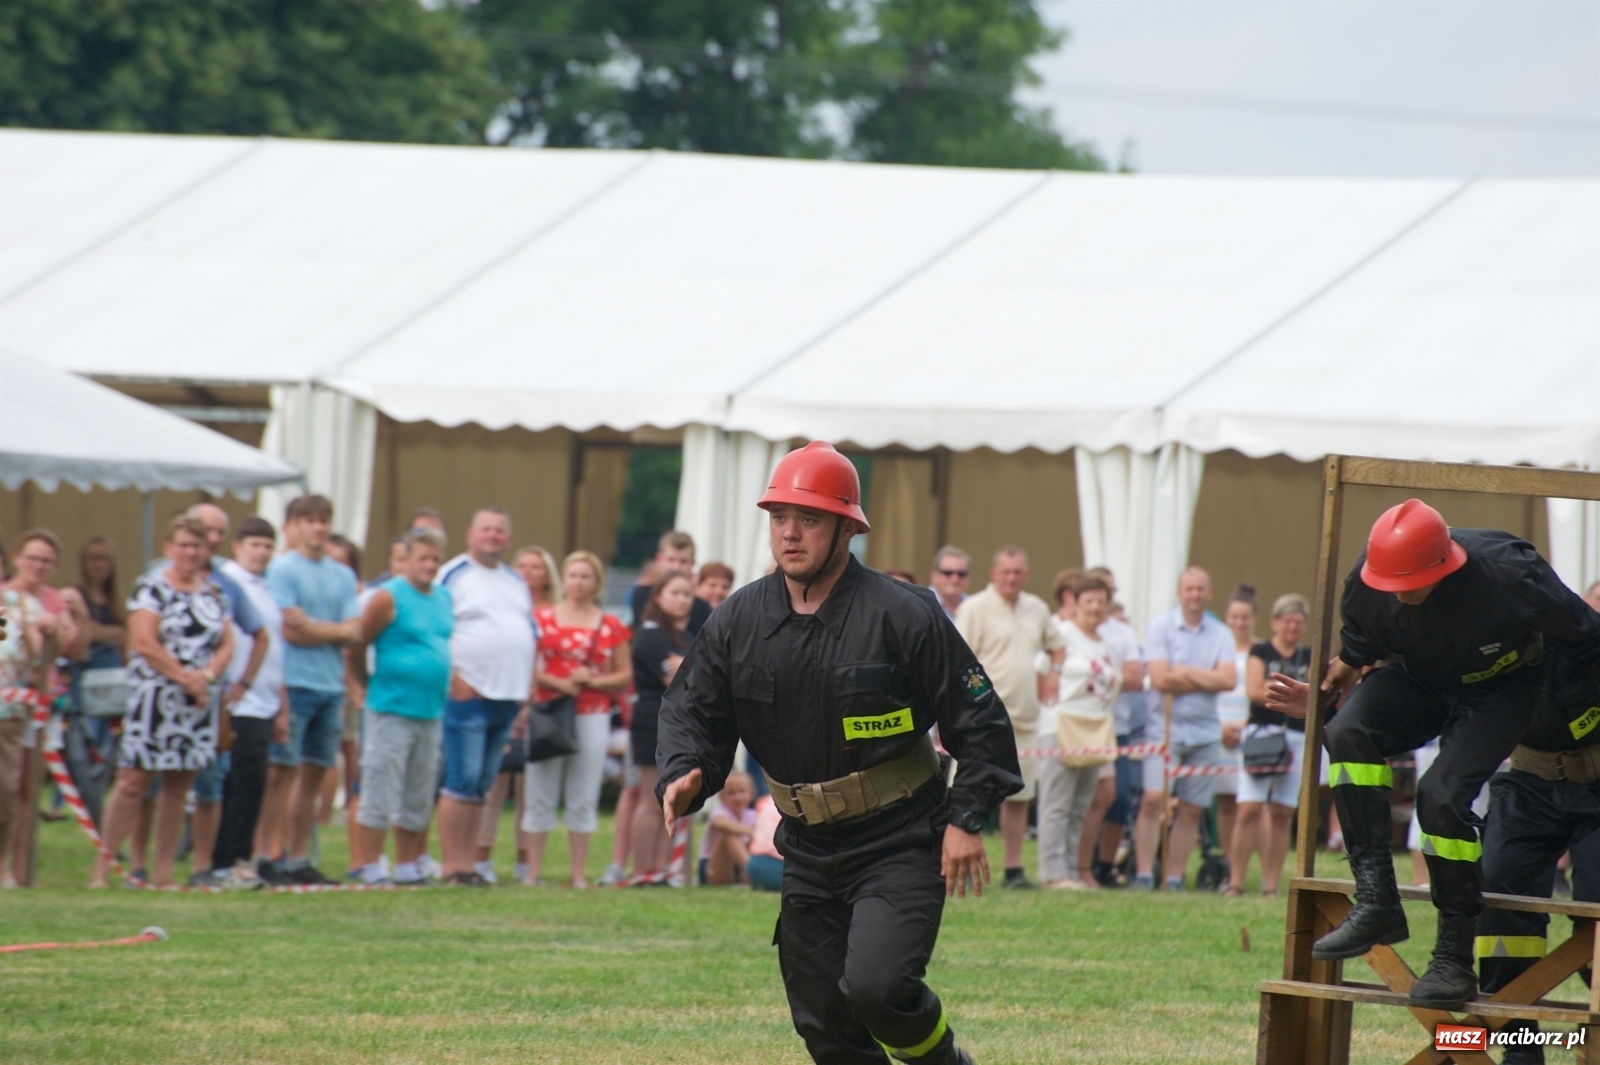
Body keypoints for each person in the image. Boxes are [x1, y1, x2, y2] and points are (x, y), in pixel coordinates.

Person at [658, 440, 1021, 1065]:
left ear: (846, 528)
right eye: (779, 518)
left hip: (901, 837)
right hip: (805, 845)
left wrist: (966, 819)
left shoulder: (904, 614)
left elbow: (980, 720)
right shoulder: (739, 618)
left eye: (809, 519)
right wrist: (685, 770)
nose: (790, 534)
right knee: (822, 1020)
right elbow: (691, 706)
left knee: (879, 991)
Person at [1305, 499, 1600, 1010]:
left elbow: (1586, 638)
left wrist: (1569, 709)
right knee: (1347, 731)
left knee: (1440, 796)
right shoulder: (1367, 585)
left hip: (1502, 692)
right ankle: (1376, 898)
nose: (1399, 595)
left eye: (1410, 584)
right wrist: (1337, 677)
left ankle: (1453, 958)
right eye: (1389, 585)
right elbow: (1358, 645)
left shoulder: (1513, 576)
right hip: (1422, 680)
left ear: (1445, 567)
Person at [91, 515, 234, 889]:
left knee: (178, 786)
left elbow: (227, 643)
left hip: (197, 702)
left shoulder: (214, 593)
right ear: (169, 548)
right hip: (154, 696)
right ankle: (104, 869)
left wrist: (205, 677)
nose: (189, 552)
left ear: (206, 551)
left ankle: (164, 871)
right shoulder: (150, 588)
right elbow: (143, 641)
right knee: (133, 781)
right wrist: (184, 676)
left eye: (196, 545)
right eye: (183, 545)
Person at [436, 508, 538, 886]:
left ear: (508, 539)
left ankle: (470, 864)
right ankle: (452, 866)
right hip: (469, 692)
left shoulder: (514, 580)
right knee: (460, 779)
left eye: (500, 530)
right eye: (486, 530)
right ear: (470, 534)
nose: (493, 536)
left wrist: (526, 687)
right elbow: (437, 629)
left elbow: (527, 634)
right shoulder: (453, 574)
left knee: (482, 783)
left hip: (507, 696)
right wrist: (455, 678)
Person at [347, 528, 452, 886]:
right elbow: (359, 644)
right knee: (379, 785)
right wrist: (365, 683)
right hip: (391, 708)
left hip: (430, 710)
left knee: (418, 791)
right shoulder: (387, 598)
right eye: (423, 558)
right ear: (406, 559)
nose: (429, 565)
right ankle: (371, 864)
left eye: (435, 559)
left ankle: (408, 865)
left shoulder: (443, 598)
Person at [266, 495, 361, 886]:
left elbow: (354, 630)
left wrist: (319, 628)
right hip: (294, 681)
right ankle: (272, 853)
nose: (318, 528)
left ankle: (299, 857)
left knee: (315, 772)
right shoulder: (283, 569)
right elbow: (290, 629)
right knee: (283, 772)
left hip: (330, 683)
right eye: (310, 520)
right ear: (295, 525)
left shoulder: (341, 574)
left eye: (324, 520)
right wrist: (334, 630)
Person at [956, 545, 1063, 890]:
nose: (1012, 578)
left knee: (1019, 797)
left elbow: (1056, 645)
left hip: (1026, 721)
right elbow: (958, 658)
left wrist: (1053, 673)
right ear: (993, 574)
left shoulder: (1037, 609)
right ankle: (958, 866)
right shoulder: (974, 608)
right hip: (982, 720)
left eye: (1018, 572)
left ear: (1027, 575)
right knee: (967, 794)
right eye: (1006, 572)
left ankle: (1014, 870)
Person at [524, 550, 631, 887]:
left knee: (583, 791)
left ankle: (577, 873)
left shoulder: (610, 624)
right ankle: (533, 871)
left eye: (586, 576)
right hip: (549, 711)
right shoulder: (541, 619)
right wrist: (557, 683)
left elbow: (624, 675)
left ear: (596, 582)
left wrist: (593, 682)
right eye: (573, 575)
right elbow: (528, 666)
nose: (578, 582)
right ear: (563, 579)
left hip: (593, 714)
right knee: (540, 788)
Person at [182, 503, 270, 887]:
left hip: (212, 695)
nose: (211, 540)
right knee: (149, 784)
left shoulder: (225, 584)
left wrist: (238, 683)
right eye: (206, 531)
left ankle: (207, 867)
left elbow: (254, 636)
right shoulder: (158, 578)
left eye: (219, 532)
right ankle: (141, 866)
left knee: (210, 784)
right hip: (167, 692)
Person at [1134, 567, 1236, 891]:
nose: (1194, 595)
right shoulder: (1160, 627)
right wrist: (1206, 678)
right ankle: (1143, 874)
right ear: (1180, 592)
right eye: (1188, 589)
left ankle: (1174, 877)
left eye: (1200, 589)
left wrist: (1188, 672)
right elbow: (1161, 678)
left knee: (1192, 808)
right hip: (1163, 730)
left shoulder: (1221, 633)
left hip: (1205, 732)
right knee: (1153, 799)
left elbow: (1228, 679)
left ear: (1209, 593)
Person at [477, 545, 563, 884]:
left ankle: (525, 859)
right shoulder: (505, 608)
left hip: (542, 704)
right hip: (502, 696)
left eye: (536, 567)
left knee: (530, 786)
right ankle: (481, 855)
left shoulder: (554, 614)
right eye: (522, 566)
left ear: (546, 574)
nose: (528, 572)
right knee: (493, 783)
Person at [211, 517, 288, 890]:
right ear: (237, 546)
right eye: (254, 544)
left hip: (264, 700)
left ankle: (242, 857)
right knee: (234, 784)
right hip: (236, 700)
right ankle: (224, 860)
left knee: (254, 783)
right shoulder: (228, 583)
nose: (261, 552)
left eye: (267, 546)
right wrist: (234, 685)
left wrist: (281, 704)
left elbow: (276, 648)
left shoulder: (268, 588)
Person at [4, 529, 83, 886]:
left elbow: (70, 650)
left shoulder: (53, 600)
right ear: (18, 557)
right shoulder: (5, 600)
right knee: (8, 786)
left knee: (25, 789)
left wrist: (64, 624)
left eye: (47, 561)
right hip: (11, 702)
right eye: (33, 557)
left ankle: (19, 870)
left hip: (36, 705)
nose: (38, 566)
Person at [1036, 573, 1122, 890]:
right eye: (1089, 600)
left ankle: (1070, 868)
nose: (1096, 607)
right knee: (1057, 803)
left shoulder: (1105, 644)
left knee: (1080, 804)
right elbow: (1041, 671)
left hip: (1095, 729)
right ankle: (1051, 872)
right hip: (1062, 724)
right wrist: (1047, 709)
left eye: (1101, 601)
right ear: (1076, 602)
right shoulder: (1063, 634)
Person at [1225, 593, 1311, 897]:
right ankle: (1236, 881)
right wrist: (1294, 697)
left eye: (1297, 622)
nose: (1291, 627)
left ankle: (1271, 884)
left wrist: (1271, 690)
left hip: (1297, 738)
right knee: (1249, 807)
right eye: (1286, 621)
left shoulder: (1309, 656)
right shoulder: (1260, 650)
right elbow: (1252, 690)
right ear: (1275, 622)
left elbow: (1311, 697)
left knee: (1283, 812)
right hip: (1261, 734)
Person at [627, 571, 694, 883]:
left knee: (667, 799)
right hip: (652, 720)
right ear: (658, 598)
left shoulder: (683, 638)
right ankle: (642, 870)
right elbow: (676, 682)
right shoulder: (651, 634)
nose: (682, 600)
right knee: (649, 797)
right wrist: (693, 670)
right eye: (675, 593)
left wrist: (689, 668)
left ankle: (660, 868)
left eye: (686, 594)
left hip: (676, 722)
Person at [1085, 566, 1146, 889]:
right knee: (1085, 797)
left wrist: (1100, 676)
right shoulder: (1069, 628)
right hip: (1081, 726)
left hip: (1116, 724)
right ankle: (1084, 861)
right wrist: (1112, 675)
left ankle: (1106, 863)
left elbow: (1137, 678)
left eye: (1106, 592)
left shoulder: (1122, 632)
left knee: (1119, 797)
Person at [1215, 586, 1257, 877]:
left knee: (1250, 803)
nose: (1239, 623)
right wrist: (1220, 727)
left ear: (1253, 618)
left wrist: (1244, 726)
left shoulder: (1259, 650)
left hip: (1249, 728)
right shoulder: (1217, 648)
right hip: (1219, 727)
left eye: (1244, 617)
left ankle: (1244, 860)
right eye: (1234, 617)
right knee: (1225, 802)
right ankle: (1227, 859)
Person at [628, 531, 713, 636]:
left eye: (683, 561)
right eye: (671, 560)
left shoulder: (702, 607)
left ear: (692, 563)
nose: (676, 567)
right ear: (659, 559)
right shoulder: (643, 594)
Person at [701, 770, 758, 885]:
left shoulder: (752, 815)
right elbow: (719, 823)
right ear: (721, 797)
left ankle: (751, 873)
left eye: (742, 791)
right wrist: (751, 831)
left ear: (751, 794)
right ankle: (754, 873)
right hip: (712, 866)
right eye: (731, 793)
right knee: (728, 834)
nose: (737, 797)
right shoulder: (720, 812)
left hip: (738, 865)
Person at [928, 546, 972, 622]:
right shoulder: (922, 604)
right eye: (948, 573)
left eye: (961, 574)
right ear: (934, 576)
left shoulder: (974, 606)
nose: (955, 579)